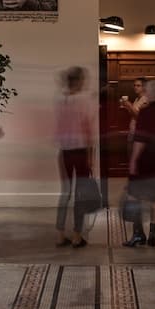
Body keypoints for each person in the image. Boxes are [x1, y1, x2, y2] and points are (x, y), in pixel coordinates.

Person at [122, 80, 155, 247]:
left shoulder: (145, 113)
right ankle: (153, 235)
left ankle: (138, 234)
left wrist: (133, 161)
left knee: (134, 196)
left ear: (151, 94)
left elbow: (140, 140)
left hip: (144, 160)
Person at [55, 66, 96, 248]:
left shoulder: (60, 99)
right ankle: (77, 236)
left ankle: (60, 234)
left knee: (65, 193)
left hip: (64, 151)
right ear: (78, 81)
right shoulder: (84, 100)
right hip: (80, 151)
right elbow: (88, 129)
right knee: (80, 194)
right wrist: (91, 155)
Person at [119, 76, 148, 155]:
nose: (135, 87)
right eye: (134, 85)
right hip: (133, 131)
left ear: (144, 87)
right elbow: (133, 114)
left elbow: (140, 116)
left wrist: (129, 105)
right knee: (130, 154)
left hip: (139, 133)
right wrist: (126, 107)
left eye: (138, 85)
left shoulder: (146, 99)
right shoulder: (137, 99)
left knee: (135, 157)